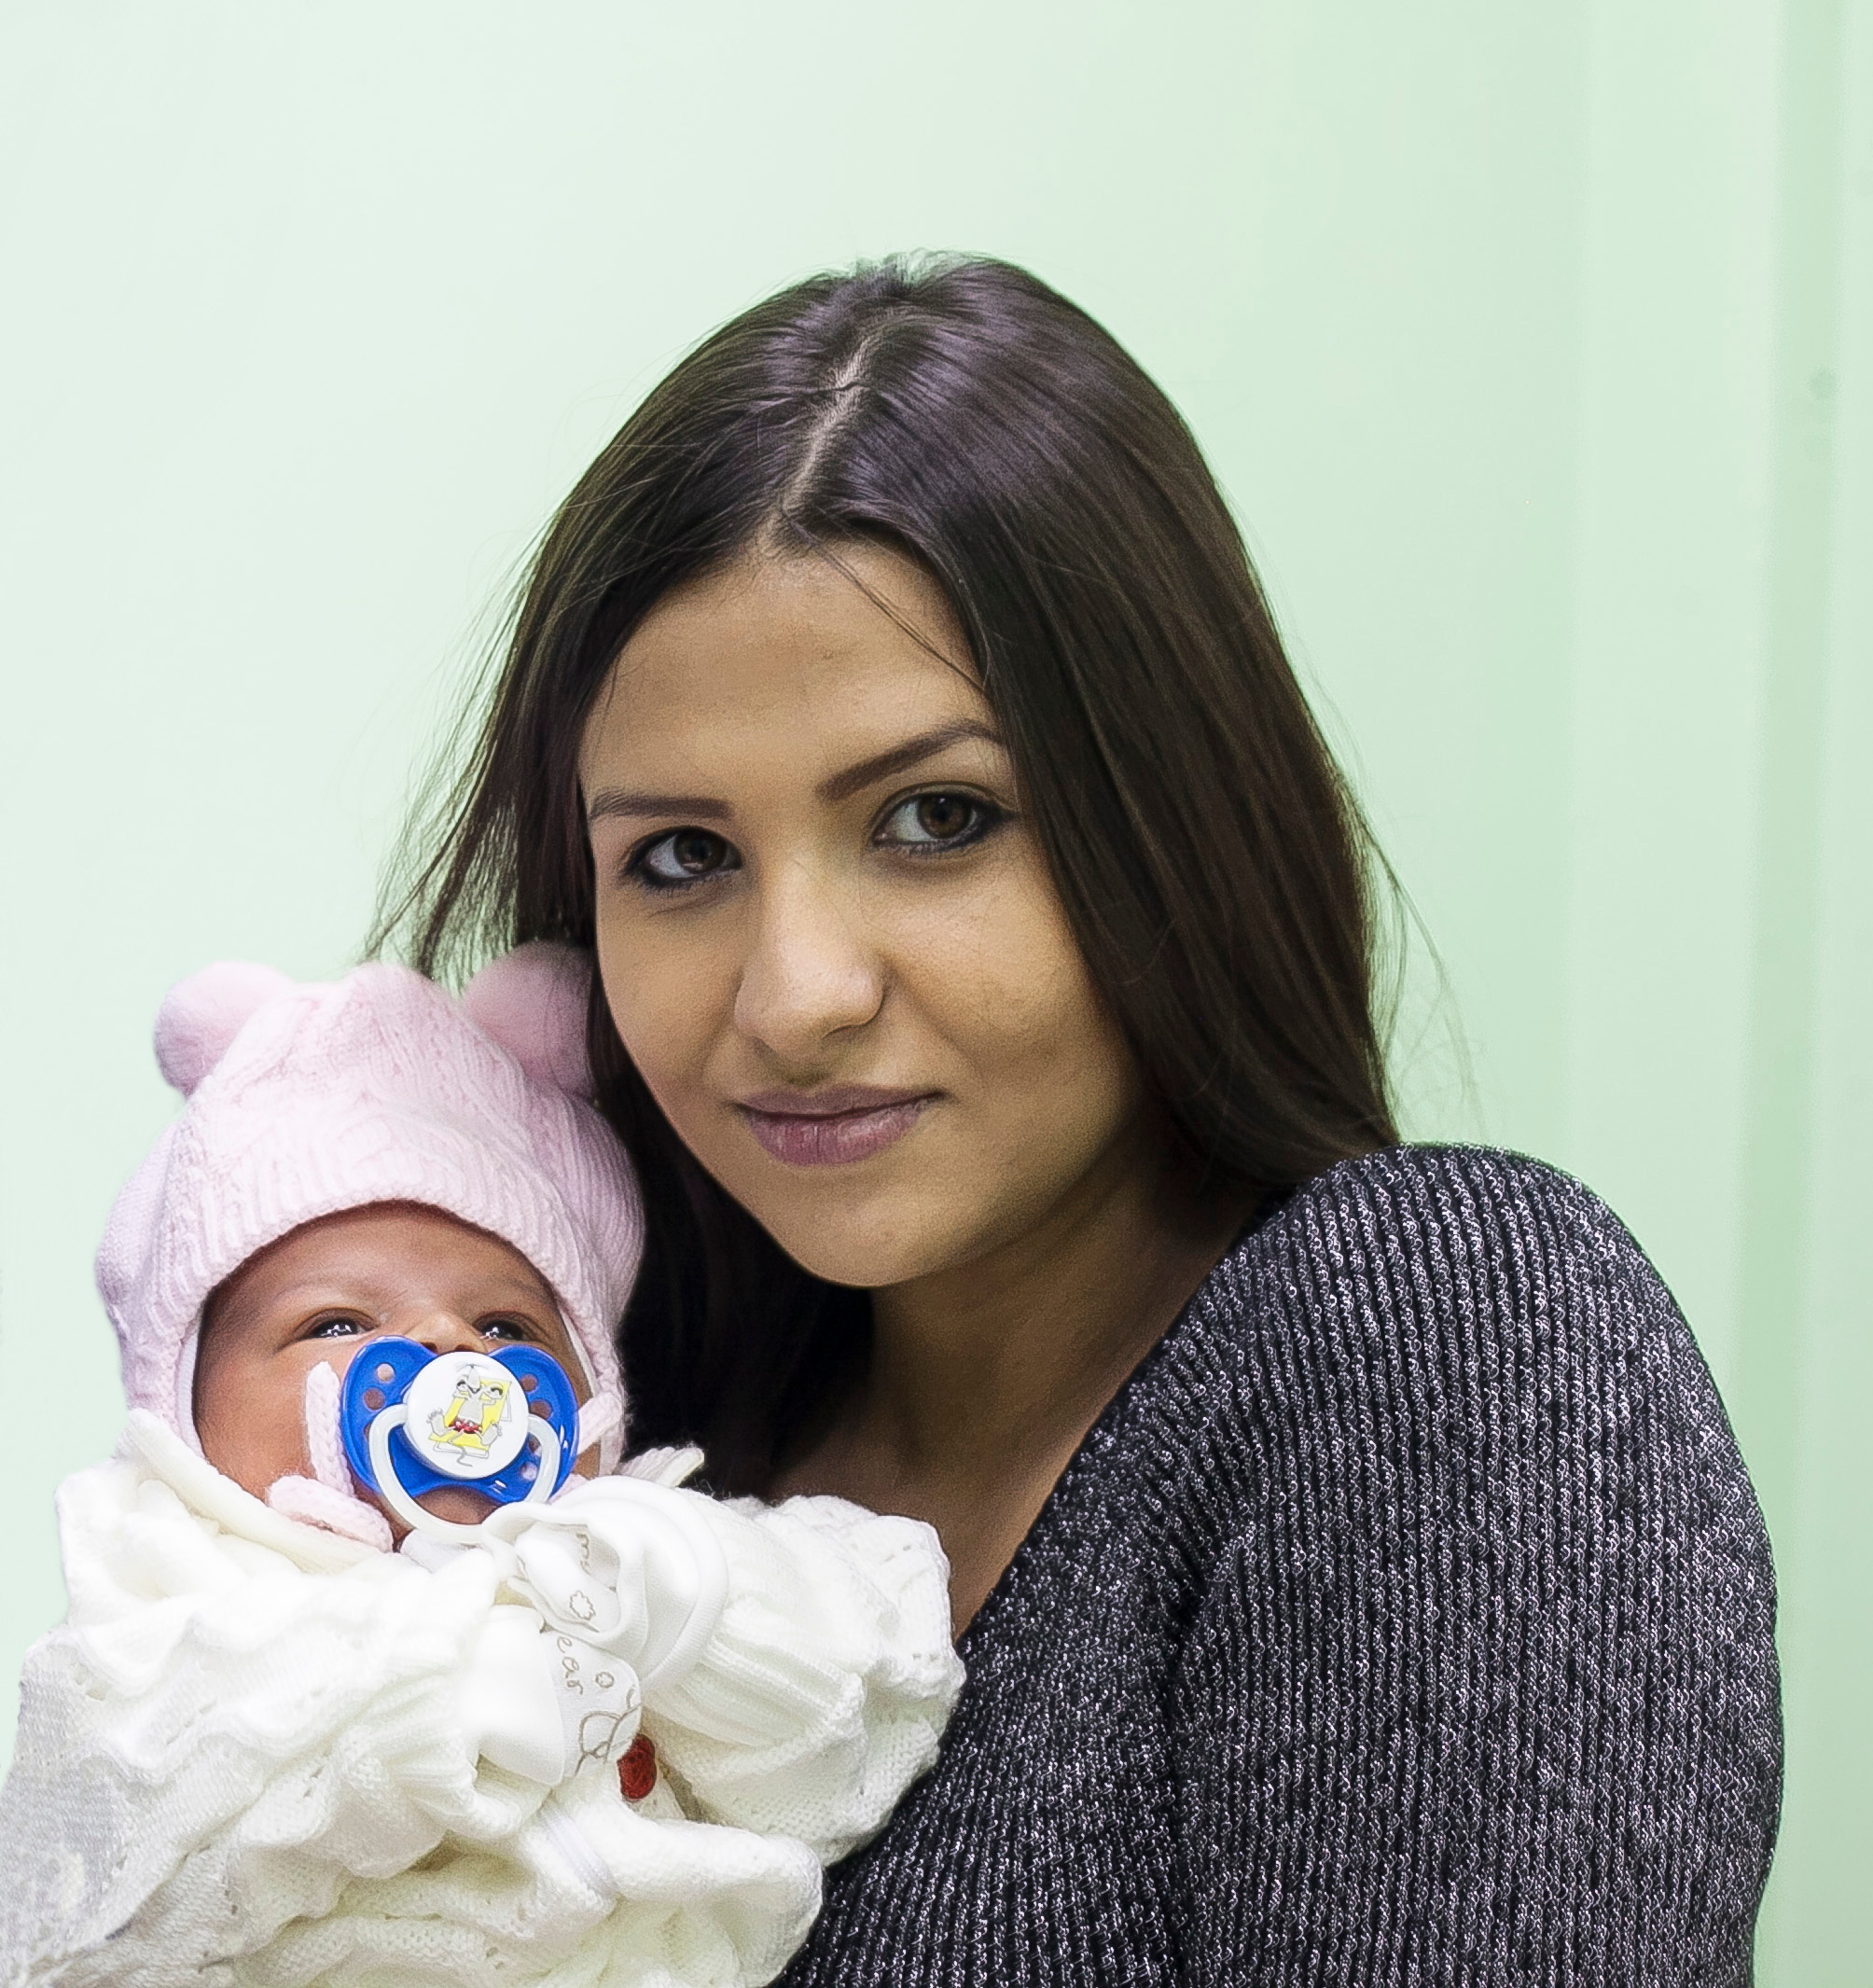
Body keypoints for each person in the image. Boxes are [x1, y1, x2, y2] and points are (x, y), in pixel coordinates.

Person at [382, 253, 1784, 1984]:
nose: (795, 991)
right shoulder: (604, 1479)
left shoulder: (1439, 1342)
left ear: (1173, 818)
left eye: (935, 818)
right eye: (680, 858)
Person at [0, 945, 961, 1987]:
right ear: (184, 1408)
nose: (447, 1350)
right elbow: (127, 1840)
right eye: (334, 1319)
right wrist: (455, 1698)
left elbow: (853, 1721)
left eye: (507, 1323)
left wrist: (683, 1609)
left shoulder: (640, 1543)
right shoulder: (166, 1588)